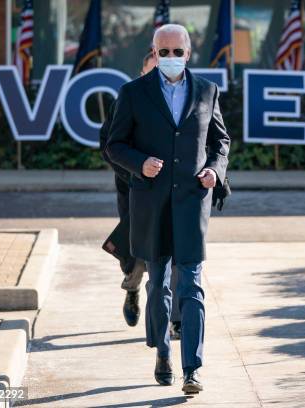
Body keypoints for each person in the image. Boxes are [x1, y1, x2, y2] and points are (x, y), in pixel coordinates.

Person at [105, 24, 230, 394]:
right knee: (158, 285)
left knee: (191, 285)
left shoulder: (208, 91)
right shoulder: (133, 93)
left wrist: (214, 170)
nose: (171, 58)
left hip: (192, 204)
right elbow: (115, 145)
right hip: (152, 205)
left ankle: (192, 368)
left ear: (188, 54)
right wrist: (139, 163)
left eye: (178, 51)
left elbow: (220, 142)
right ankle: (163, 352)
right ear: (154, 53)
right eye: (164, 52)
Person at [100, 52, 182, 338]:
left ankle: (173, 321)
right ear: (141, 72)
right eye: (150, 71)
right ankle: (132, 288)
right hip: (135, 190)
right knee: (137, 257)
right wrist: (136, 171)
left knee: (171, 257)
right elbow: (109, 145)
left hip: (170, 193)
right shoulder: (127, 98)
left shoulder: (178, 99)